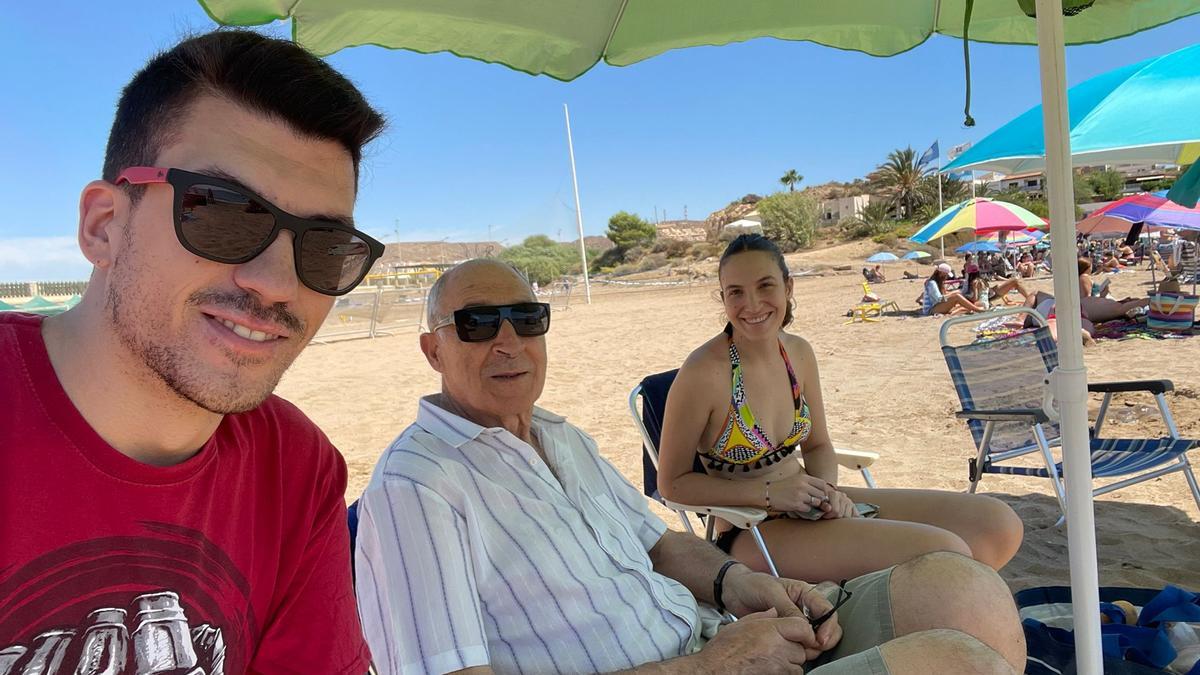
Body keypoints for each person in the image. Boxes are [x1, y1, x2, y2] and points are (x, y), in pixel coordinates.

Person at [355, 258, 1027, 675]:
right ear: (432, 349)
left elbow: (659, 542)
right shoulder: (417, 486)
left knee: (963, 591)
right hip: (711, 660)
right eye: (477, 323)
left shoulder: (562, 438)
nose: (509, 340)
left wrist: (743, 584)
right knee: (960, 662)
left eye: (526, 318)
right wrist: (711, 668)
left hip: (726, 634)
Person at [0, 31, 383, 672]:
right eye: (222, 213)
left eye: (324, 247)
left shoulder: (296, 469)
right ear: (104, 226)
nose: (277, 283)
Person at [657, 234, 1022, 583]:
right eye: (735, 292)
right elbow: (672, 485)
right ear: (723, 298)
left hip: (812, 505)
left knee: (996, 524)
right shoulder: (704, 372)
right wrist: (769, 495)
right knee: (945, 554)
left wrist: (829, 492)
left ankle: (938, 611)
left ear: (788, 287)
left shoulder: (797, 353)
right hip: (750, 528)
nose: (751, 304)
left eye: (765, 286)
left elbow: (817, 447)